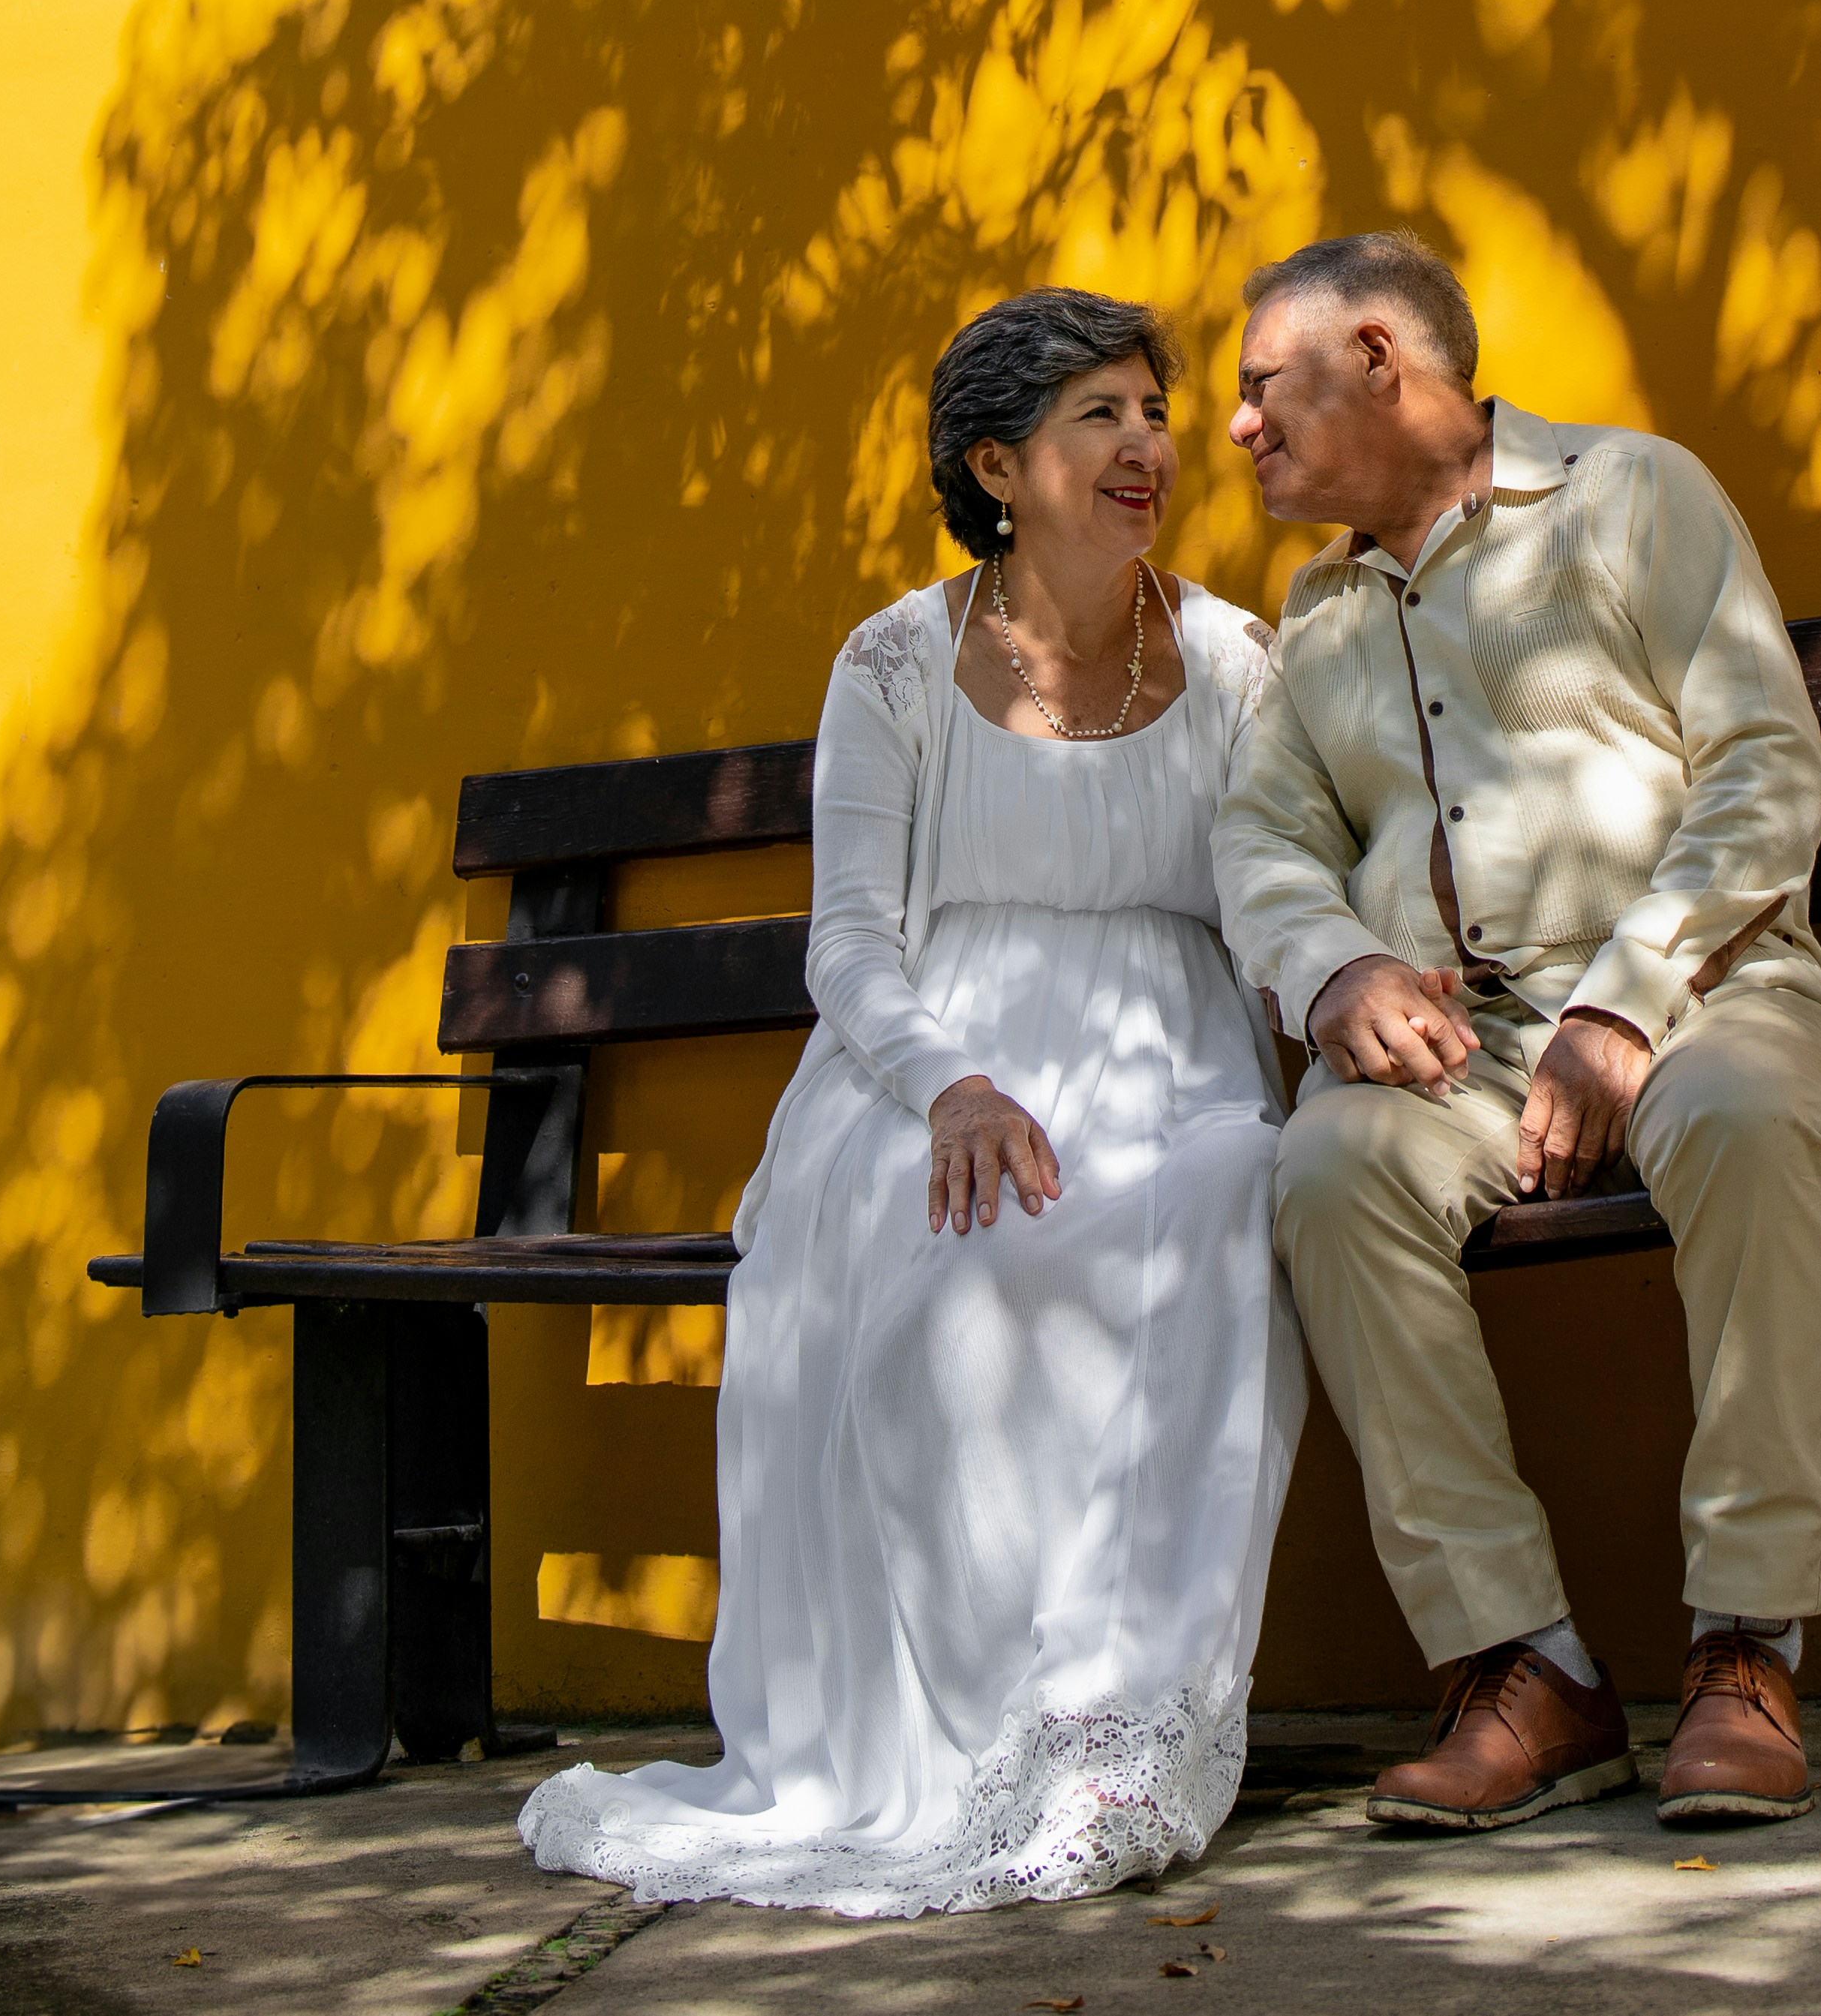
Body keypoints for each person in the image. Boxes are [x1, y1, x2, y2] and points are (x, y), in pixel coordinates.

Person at [519, 290, 1306, 1920]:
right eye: (1099, 415)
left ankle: (1104, 1725)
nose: (1147, 446)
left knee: (1223, 1201)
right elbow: (851, 946)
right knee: (951, 1279)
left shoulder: (1237, 658)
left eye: (1153, 412)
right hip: (927, 1067)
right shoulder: (892, 662)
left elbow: (1276, 891)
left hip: (1172, 1055)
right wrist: (952, 1085)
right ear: (995, 466)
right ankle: (962, 1737)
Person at [1211, 232, 1821, 1835]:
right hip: (1470, 1049)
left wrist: (1622, 1004)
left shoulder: (1634, 495)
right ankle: (1525, 1666)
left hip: (1707, 990)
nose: (1236, 427)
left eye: (1260, 384)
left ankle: (1747, 1645)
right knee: (1330, 1167)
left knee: (1753, 1117)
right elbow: (1265, 838)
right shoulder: (1320, 612)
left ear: (1378, 358)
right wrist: (1336, 971)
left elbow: (1763, 768)